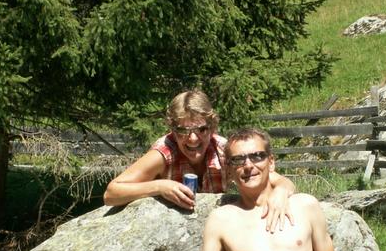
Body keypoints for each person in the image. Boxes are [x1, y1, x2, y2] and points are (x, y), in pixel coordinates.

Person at [172, 128, 353, 251]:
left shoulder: (306, 207)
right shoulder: (222, 219)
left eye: (257, 156)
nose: (248, 165)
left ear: (271, 162)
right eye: (238, 160)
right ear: (229, 170)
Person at [103, 90, 295, 231]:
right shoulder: (164, 152)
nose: (193, 139)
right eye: (183, 131)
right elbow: (111, 193)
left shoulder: (223, 149)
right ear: (172, 130)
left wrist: (281, 192)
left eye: (201, 130)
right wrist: (160, 186)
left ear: (212, 127)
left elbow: (279, 181)